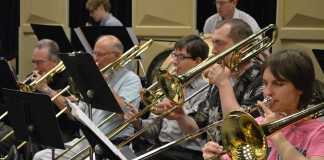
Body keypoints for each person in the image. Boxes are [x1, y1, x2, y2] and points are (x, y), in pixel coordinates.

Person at [156, 19, 265, 148]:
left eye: (220, 43)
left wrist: (223, 84)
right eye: (213, 43)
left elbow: (240, 130)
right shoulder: (221, 73)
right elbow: (196, 129)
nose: (213, 51)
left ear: (243, 46)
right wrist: (181, 116)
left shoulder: (263, 78)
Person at [33, 35, 142, 160]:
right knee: (41, 157)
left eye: (100, 54)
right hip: (86, 141)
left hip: (114, 143)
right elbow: (73, 115)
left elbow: (125, 113)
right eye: (94, 53)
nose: (95, 58)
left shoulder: (131, 79)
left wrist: (103, 85)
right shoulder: (91, 78)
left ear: (116, 56)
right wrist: (73, 106)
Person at [202, 49, 324, 160]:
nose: (267, 92)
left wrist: (276, 135)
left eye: (278, 84)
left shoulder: (318, 131)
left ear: (300, 87)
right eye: (265, 83)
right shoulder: (255, 125)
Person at [124, 34, 209, 160]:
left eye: (181, 57)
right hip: (162, 149)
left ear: (197, 61)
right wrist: (138, 122)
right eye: (175, 55)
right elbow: (153, 131)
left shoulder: (205, 90)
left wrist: (180, 115)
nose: (174, 61)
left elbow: (195, 133)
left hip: (187, 154)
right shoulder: (169, 86)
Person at [0, 39, 79, 157]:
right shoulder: (32, 78)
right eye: (34, 62)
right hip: (34, 130)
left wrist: (46, 89)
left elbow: (74, 113)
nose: (36, 67)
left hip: (62, 133)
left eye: (40, 63)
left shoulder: (69, 78)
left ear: (55, 62)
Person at [203, 0, 269, 61]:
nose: (218, 7)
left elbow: (260, 47)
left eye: (222, 3)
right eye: (217, 3)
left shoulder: (248, 20)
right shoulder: (210, 22)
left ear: (234, 3)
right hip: (217, 61)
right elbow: (208, 48)